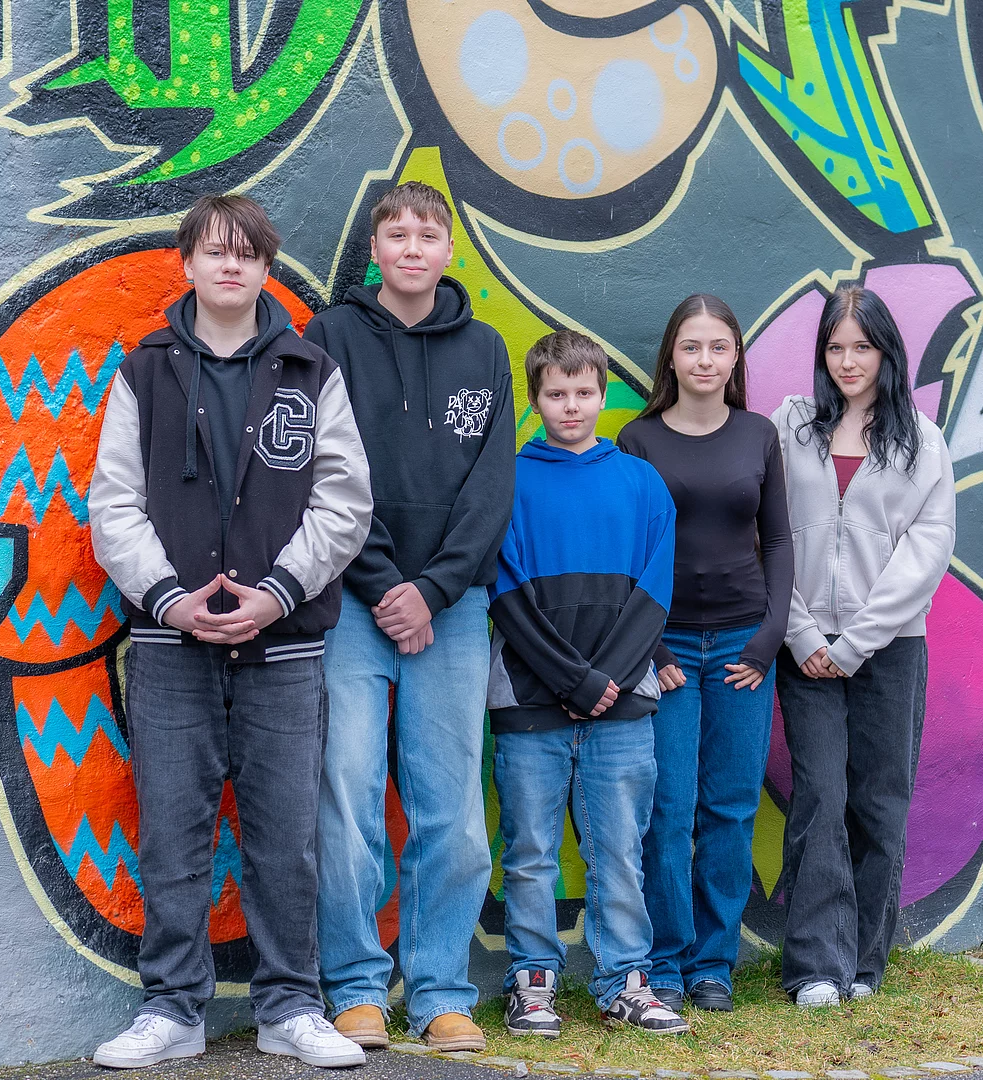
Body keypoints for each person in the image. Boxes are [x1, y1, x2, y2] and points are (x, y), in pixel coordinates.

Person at [88, 194, 373, 1069]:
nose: (229, 266)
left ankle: (291, 1008)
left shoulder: (310, 371)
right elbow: (113, 505)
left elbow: (343, 500)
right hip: (170, 646)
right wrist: (169, 599)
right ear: (186, 264)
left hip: (283, 645)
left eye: (246, 253)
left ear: (264, 268)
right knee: (172, 834)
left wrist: (277, 593)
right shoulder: (143, 373)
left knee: (285, 838)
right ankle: (172, 1011)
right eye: (214, 251)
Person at [303, 181, 515, 1052]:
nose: (413, 248)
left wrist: (432, 592)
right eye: (397, 234)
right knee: (347, 794)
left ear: (448, 251)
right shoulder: (329, 337)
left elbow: (490, 487)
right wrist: (388, 584)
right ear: (376, 249)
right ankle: (356, 987)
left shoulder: (486, 349)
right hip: (353, 604)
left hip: (452, 611)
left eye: (428, 234)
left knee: (452, 809)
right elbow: (324, 472)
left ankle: (438, 992)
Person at [487, 330, 687, 1039]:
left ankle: (625, 980)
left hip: (622, 707)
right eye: (556, 394)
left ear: (603, 396)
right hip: (530, 703)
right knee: (530, 852)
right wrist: (572, 680)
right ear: (535, 400)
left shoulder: (640, 482)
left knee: (619, 851)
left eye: (583, 392)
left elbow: (655, 590)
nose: (570, 406)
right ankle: (532, 983)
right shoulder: (508, 482)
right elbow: (506, 594)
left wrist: (605, 682)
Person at [771, 284, 955, 1008]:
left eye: (862, 347)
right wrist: (801, 633)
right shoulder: (791, 427)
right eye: (835, 347)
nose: (847, 361)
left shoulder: (921, 441)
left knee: (880, 801)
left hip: (889, 648)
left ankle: (864, 963)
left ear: (887, 352)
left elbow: (927, 552)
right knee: (819, 794)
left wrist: (855, 643)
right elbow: (767, 534)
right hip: (804, 648)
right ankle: (816, 964)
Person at [617, 295, 793, 1014]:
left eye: (718, 347)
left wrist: (768, 637)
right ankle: (664, 962)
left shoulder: (758, 435)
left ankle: (713, 964)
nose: (704, 360)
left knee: (728, 806)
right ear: (671, 355)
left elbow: (778, 541)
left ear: (735, 357)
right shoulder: (638, 440)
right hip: (667, 650)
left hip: (743, 649)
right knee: (668, 806)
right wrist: (653, 646)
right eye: (691, 346)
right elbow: (627, 555)